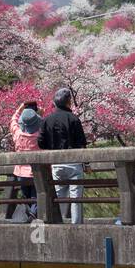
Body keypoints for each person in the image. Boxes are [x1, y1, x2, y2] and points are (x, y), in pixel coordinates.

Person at [39, 88, 88, 224]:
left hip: (56, 164)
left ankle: (57, 225)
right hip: (74, 164)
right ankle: (76, 226)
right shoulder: (74, 119)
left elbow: (41, 143)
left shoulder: (47, 120)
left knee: (59, 197)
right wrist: (87, 164)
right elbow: (82, 144)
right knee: (75, 199)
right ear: (68, 102)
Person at [7, 102, 41, 223]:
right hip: (36, 173)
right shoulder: (39, 136)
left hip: (21, 173)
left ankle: (30, 215)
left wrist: (19, 109)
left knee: (27, 196)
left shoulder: (18, 135)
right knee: (36, 195)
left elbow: (13, 121)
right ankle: (32, 214)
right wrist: (39, 114)